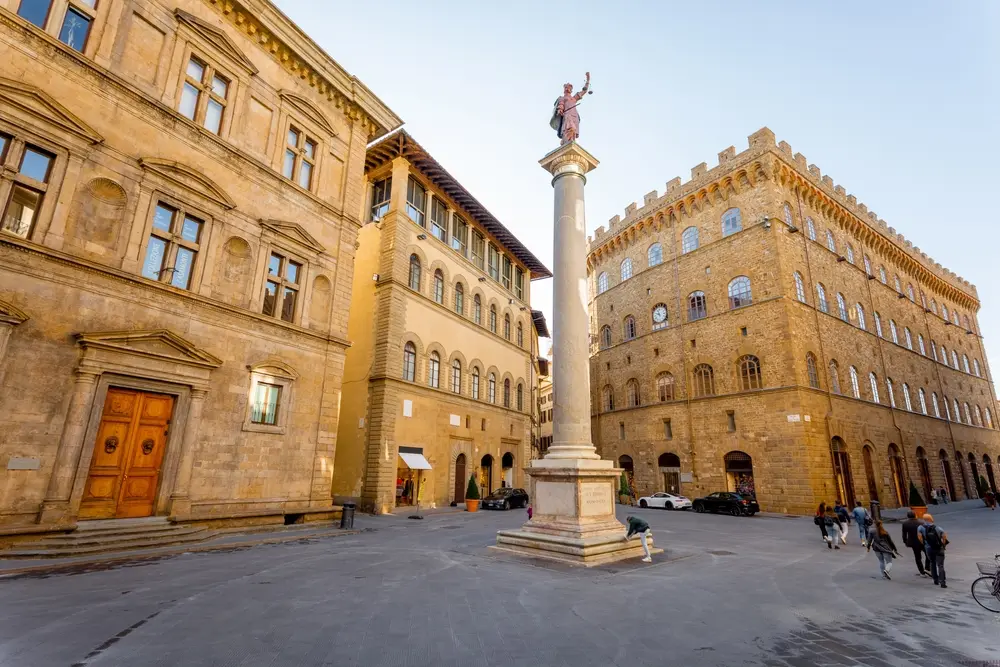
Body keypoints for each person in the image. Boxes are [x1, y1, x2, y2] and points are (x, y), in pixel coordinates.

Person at [918, 513, 949, 588]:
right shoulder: (938, 528)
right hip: (939, 548)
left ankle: (935, 580)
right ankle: (942, 582)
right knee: (940, 565)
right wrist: (943, 544)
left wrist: (925, 544)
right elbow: (944, 536)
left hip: (929, 548)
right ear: (931, 519)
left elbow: (919, 538)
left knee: (932, 562)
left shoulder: (920, 527)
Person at [900, 511, 930, 577]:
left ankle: (922, 572)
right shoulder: (921, 522)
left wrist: (905, 541)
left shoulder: (905, 523)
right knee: (928, 555)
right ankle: (927, 568)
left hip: (913, 542)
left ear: (908, 516)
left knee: (918, 557)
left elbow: (904, 534)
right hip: (922, 541)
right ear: (915, 515)